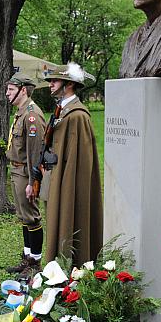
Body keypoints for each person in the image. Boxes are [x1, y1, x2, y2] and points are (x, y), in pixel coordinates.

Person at [42, 63, 103, 265]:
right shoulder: (62, 111)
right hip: (57, 178)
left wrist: (66, 188)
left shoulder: (77, 116)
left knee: (70, 218)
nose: (50, 84)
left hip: (68, 182)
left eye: (55, 81)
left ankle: (70, 266)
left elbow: (80, 163)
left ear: (68, 84)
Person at [2, 74, 47, 274]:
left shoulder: (32, 115)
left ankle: (35, 263)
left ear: (23, 90)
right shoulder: (20, 113)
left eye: (11, 89)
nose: (7, 93)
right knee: (23, 216)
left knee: (31, 217)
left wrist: (32, 181)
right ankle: (27, 258)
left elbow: (35, 152)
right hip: (17, 170)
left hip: (25, 172)